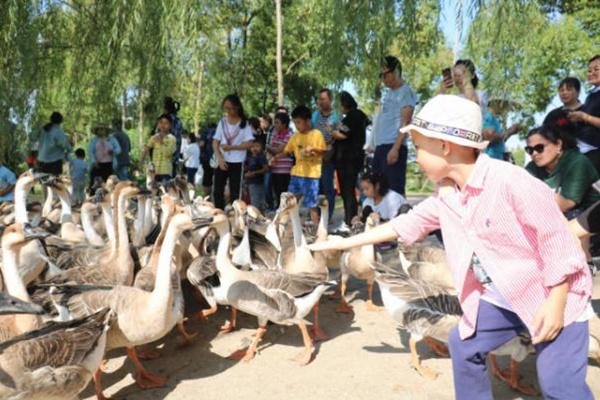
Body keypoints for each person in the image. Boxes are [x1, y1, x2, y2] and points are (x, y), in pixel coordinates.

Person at [309, 95, 594, 400]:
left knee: (559, 386)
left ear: (445, 146)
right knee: (464, 343)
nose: (415, 156)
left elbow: (557, 241)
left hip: (556, 296)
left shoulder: (510, 181)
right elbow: (405, 225)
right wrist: (344, 242)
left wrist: (557, 301)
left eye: (418, 147)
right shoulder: (448, 193)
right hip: (507, 295)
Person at [525, 125, 600, 218]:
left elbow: (566, 205)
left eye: (539, 148)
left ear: (558, 144)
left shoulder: (577, 162)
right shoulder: (532, 167)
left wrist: (532, 192)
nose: (534, 154)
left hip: (590, 217)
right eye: (530, 150)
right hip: (561, 216)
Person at [372, 56, 416, 196]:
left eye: (385, 74)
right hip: (381, 146)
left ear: (396, 71)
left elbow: (406, 122)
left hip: (393, 146)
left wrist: (396, 148)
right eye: (381, 76)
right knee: (378, 191)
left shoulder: (405, 91)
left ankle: (400, 218)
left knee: (393, 193)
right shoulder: (389, 93)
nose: (383, 79)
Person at [275, 105, 326, 224]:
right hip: (296, 174)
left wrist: (313, 149)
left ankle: (317, 229)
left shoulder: (317, 134)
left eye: (299, 122)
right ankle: (281, 225)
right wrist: (276, 157)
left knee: (312, 204)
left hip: (311, 176)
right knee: (289, 200)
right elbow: (287, 151)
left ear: (308, 121)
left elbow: (323, 151)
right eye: (295, 123)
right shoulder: (295, 136)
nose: (297, 125)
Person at [332, 91, 369, 228]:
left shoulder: (352, 117)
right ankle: (350, 219)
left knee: (347, 192)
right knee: (350, 191)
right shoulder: (359, 116)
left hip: (347, 159)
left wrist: (331, 131)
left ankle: (349, 221)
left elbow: (343, 135)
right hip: (355, 158)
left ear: (343, 104)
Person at [212, 94, 254, 210]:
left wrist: (232, 147)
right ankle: (219, 214)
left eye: (232, 108)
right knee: (217, 191)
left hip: (237, 161)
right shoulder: (222, 122)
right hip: (222, 160)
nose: (230, 111)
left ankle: (234, 216)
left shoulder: (244, 124)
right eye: (227, 108)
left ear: (238, 107)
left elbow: (249, 143)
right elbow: (215, 142)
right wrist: (219, 158)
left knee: (235, 192)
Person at [568, 55, 600, 174]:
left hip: (594, 151)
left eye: (596, 69)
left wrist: (584, 117)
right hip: (582, 150)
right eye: (589, 70)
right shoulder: (591, 95)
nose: (591, 73)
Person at [312, 88, 340, 220]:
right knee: (316, 188)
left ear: (330, 100)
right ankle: (316, 216)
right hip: (315, 157)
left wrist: (331, 141)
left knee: (328, 187)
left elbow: (341, 133)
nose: (320, 101)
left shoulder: (337, 116)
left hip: (329, 157)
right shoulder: (314, 116)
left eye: (323, 99)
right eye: (319, 99)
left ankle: (327, 217)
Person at [140, 114, 177, 184]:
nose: (163, 125)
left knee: (165, 192)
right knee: (153, 191)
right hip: (154, 171)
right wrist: (141, 161)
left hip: (166, 172)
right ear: (158, 124)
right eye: (161, 122)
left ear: (170, 125)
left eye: (166, 123)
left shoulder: (172, 139)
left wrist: (161, 141)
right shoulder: (154, 137)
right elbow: (146, 148)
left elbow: (168, 153)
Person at [268, 112, 294, 208]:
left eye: (277, 123)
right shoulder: (274, 134)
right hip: (274, 167)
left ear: (284, 124)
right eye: (274, 122)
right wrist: (271, 149)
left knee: (284, 191)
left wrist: (270, 148)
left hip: (285, 168)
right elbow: (272, 147)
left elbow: (280, 149)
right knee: (277, 191)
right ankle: (279, 209)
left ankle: (286, 210)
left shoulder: (290, 135)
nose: (275, 125)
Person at [87, 125, 121, 190]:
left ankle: (108, 197)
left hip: (109, 164)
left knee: (109, 183)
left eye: (102, 129)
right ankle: (94, 197)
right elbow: (90, 151)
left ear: (106, 131)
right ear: (96, 131)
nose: (101, 131)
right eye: (99, 129)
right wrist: (94, 161)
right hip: (97, 164)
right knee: (95, 183)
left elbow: (119, 149)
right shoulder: (94, 140)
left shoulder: (112, 139)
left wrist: (113, 151)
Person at [164, 97, 184, 177]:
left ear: (166, 109)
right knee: (172, 178)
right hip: (175, 156)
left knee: (164, 181)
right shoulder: (178, 121)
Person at [245, 141, 268, 209]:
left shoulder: (261, 157)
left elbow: (266, 168)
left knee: (256, 199)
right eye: (252, 147)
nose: (254, 148)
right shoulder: (249, 157)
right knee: (252, 197)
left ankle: (255, 213)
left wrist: (254, 173)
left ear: (261, 148)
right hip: (250, 182)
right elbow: (248, 167)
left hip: (258, 182)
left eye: (257, 146)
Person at [260, 113, 275, 210]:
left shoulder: (272, 132)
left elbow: (269, 148)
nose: (260, 124)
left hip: (270, 163)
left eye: (261, 122)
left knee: (267, 186)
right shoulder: (262, 132)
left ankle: (271, 206)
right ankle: (268, 205)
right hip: (264, 163)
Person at [199, 123, 216, 197]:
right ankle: (214, 195)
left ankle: (206, 196)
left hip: (206, 158)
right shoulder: (218, 131)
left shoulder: (205, 132)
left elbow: (201, 144)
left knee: (207, 176)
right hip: (216, 157)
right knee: (217, 176)